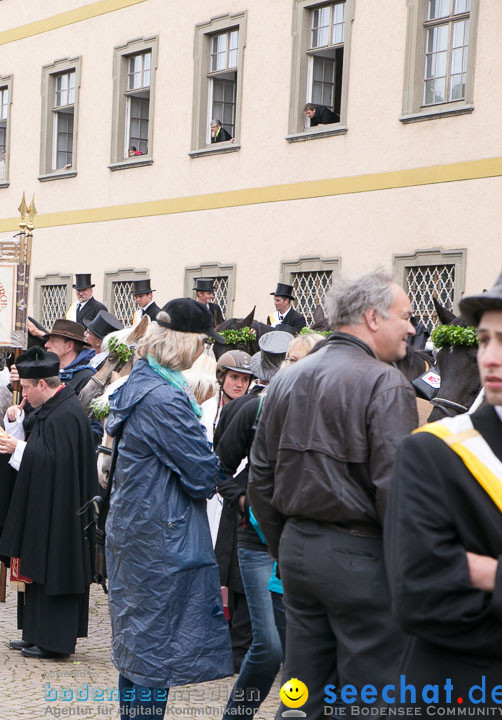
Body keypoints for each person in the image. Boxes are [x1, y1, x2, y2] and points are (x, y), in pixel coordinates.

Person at [248, 269, 417, 718]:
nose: (413, 327)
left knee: (301, 691)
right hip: (361, 559)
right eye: (405, 316)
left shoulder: (287, 378)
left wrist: (284, 544)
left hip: (300, 553)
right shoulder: (385, 382)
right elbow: (395, 491)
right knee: (373, 699)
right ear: (372, 318)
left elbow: (260, 478)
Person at [386, 245, 502, 698]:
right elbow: (420, 599)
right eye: (484, 341)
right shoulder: (432, 454)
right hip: (465, 694)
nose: (490, 358)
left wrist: (486, 573)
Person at [104, 299, 232, 717]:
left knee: (140, 647)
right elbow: (201, 474)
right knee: (152, 652)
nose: (203, 352)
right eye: (201, 344)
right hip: (159, 537)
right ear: (183, 344)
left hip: (139, 529)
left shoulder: (144, 382)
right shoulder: (164, 398)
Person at [216, 335, 320, 720]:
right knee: (271, 647)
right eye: (289, 360)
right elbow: (218, 468)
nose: (293, 368)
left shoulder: (328, 414)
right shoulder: (254, 410)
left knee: (302, 650)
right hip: (258, 544)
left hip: (306, 545)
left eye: (303, 362)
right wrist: (243, 500)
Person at [0, 345, 98, 659]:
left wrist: (18, 447)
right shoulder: (52, 407)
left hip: (63, 513)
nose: (25, 395)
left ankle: (54, 640)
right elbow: (39, 443)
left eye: (27, 389)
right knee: (35, 564)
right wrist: (16, 425)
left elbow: (56, 463)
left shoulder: (68, 414)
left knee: (53, 568)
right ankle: (34, 633)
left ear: (43, 384)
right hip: (45, 504)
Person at [43, 319, 97, 396]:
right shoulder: (48, 371)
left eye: (53, 341)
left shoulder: (86, 378)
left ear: (69, 346)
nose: (46, 345)